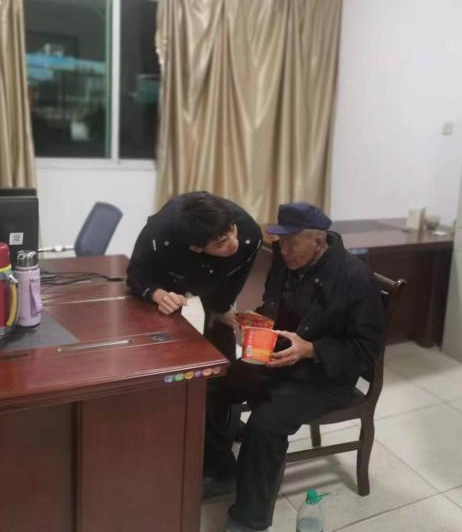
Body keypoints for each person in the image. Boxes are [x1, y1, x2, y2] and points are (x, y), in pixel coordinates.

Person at [203, 202, 384, 532]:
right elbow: (275, 305)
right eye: (280, 240)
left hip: (325, 377)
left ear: (318, 241)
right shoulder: (285, 260)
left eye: (291, 242)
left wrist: (312, 349)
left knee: (264, 425)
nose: (283, 249)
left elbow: (366, 350)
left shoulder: (355, 278)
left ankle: (249, 520)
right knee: (210, 386)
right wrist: (258, 321)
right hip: (279, 359)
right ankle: (221, 472)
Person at [127, 191, 261, 359]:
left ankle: (223, 370)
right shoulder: (159, 235)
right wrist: (158, 294)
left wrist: (223, 306)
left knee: (221, 330)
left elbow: (237, 275)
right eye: (221, 243)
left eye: (232, 231)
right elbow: (136, 273)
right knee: (168, 328)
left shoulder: (248, 232)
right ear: (197, 248)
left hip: (218, 269)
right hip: (174, 264)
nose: (234, 243)